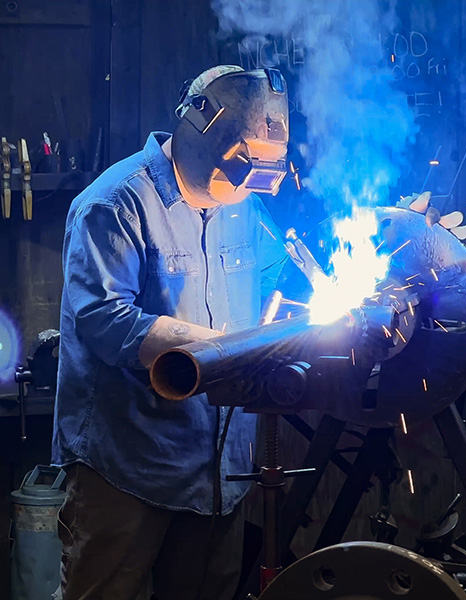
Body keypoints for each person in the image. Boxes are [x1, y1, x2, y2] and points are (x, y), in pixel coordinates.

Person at [52, 65, 289, 600]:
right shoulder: (114, 203)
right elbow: (102, 319)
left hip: (220, 471)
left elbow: (280, 272)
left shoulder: (242, 204)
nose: (248, 185)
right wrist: (215, 350)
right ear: (200, 134)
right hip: (129, 465)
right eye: (243, 166)